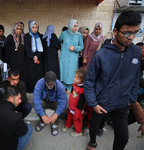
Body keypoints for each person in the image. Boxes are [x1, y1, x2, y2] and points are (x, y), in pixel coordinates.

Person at [84, 11, 142, 150]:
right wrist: (93, 103)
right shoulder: (101, 55)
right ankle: (92, 142)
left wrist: (132, 98)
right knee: (94, 126)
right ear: (115, 31)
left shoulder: (136, 52)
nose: (132, 37)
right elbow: (89, 81)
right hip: (102, 102)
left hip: (122, 103)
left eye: (136, 32)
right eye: (127, 33)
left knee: (123, 137)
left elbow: (135, 77)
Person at [33, 71, 67, 136]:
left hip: (54, 101)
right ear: (45, 81)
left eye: (53, 84)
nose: (51, 85)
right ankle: (42, 122)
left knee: (59, 104)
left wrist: (56, 114)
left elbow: (63, 100)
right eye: (49, 84)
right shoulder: (40, 83)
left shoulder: (59, 85)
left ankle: (54, 123)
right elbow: (36, 99)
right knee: (40, 103)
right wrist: (42, 115)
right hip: (45, 100)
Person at [59, 19, 84, 94]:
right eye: (74, 26)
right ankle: (63, 86)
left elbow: (81, 46)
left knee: (71, 72)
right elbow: (59, 41)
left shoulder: (79, 35)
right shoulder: (63, 34)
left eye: (76, 26)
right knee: (64, 71)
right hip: (64, 56)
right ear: (70, 25)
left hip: (73, 56)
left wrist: (75, 48)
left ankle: (69, 87)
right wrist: (62, 48)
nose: (75, 28)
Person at [62, 68, 87, 137]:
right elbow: (74, 94)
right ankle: (67, 125)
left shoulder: (82, 91)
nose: (74, 79)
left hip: (77, 110)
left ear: (83, 81)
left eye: (77, 78)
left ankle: (78, 131)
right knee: (69, 117)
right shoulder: (75, 85)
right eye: (75, 77)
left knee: (77, 120)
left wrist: (78, 112)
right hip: (71, 108)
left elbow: (81, 103)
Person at [24, 20, 44, 92]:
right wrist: (33, 57)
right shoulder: (26, 36)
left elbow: (41, 48)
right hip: (30, 58)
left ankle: (39, 89)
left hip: (39, 58)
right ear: (30, 28)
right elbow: (27, 48)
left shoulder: (40, 36)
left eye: (36, 27)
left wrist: (37, 56)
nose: (35, 29)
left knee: (38, 74)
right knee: (31, 74)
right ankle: (31, 89)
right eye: (33, 27)